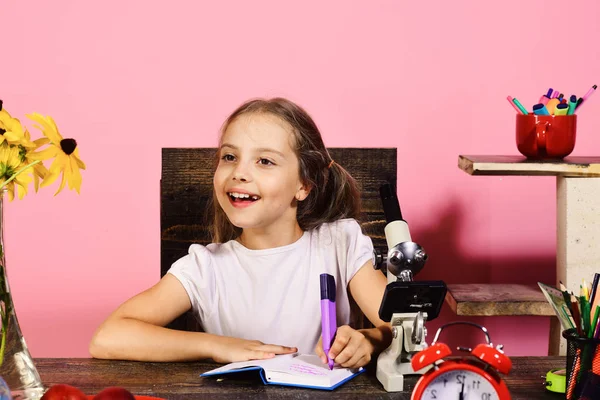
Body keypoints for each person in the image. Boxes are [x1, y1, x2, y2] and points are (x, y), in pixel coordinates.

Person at [89, 97, 391, 369]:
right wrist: (218, 346)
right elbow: (107, 337)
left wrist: (370, 340)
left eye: (265, 161)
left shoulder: (339, 244)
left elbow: (399, 327)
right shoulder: (204, 267)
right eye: (230, 157)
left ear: (303, 185)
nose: (239, 173)